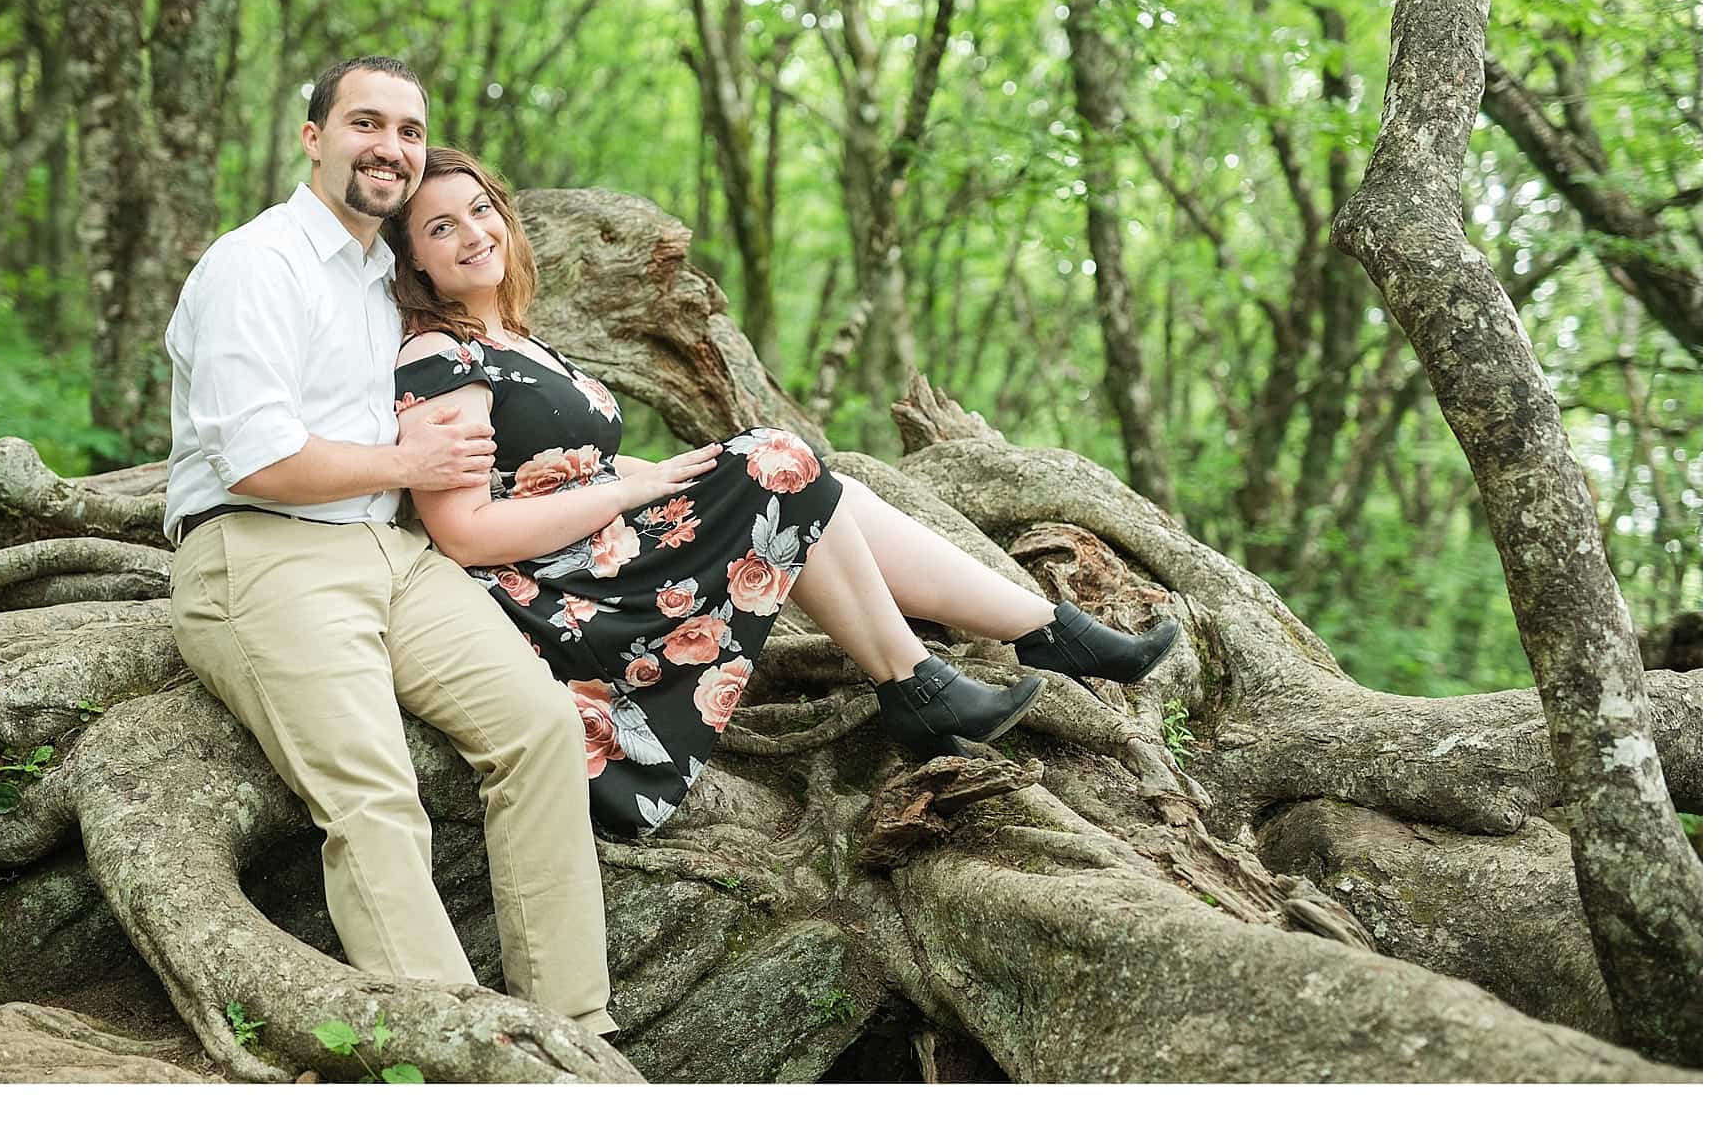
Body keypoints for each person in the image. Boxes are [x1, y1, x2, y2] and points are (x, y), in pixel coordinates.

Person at [385, 147, 1182, 837]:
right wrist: (648, 488)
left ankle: (1042, 629)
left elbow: (569, 465)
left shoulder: (517, 341)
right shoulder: (437, 356)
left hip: (598, 546)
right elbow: (468, 531)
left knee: (811, 479)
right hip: (560, 596)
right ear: (415, 259)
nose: (472, 233)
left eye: (480, 210)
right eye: (440, 227)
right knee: (779, 461)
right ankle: (920, 678)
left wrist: (678, 472)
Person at [162, 59, 617, 1036]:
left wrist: (503, 478)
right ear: (312, 137)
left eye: (409, 131)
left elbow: (439, 423)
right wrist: (403, 457)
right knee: (373, 799)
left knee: (540, 731)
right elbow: (253, 458)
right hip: (262, 553)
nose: (392, 148)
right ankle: (472, 1058)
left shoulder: (388, 280)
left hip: (393, 554)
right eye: (366, 123)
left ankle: (574, 1036)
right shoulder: (258, 263)